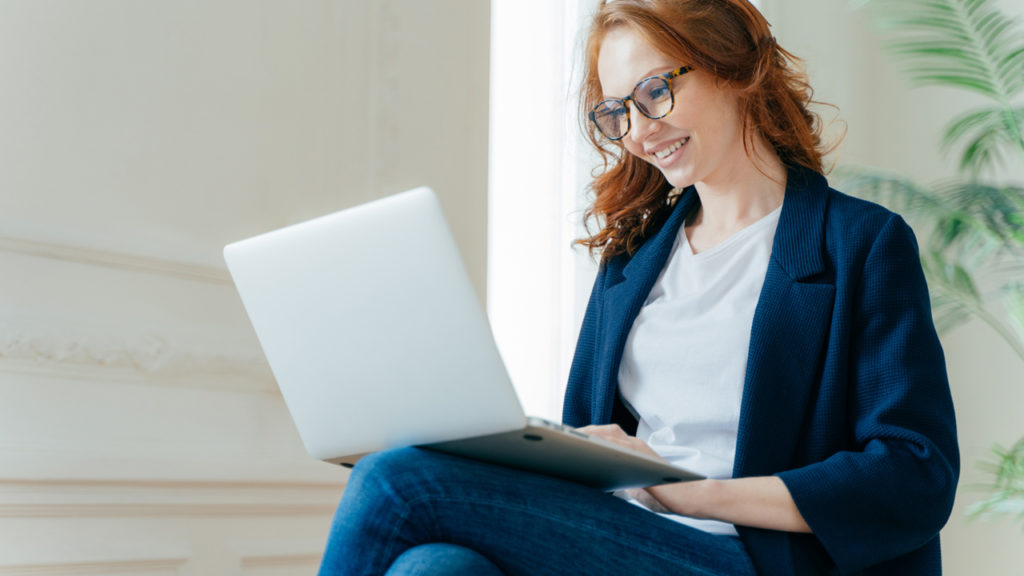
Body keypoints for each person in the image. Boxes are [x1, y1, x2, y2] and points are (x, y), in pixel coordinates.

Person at [317, 0, 959, 574]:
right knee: (435, 568)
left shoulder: (859, 243)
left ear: (732, 65)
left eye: (655, 91)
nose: (640, 131)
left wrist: (686, 490)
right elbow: (585, 438)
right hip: (628, 538)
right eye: (617, 112)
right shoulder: (632, 261)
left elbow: (914, 473)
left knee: (397, 482)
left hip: (753, 555)